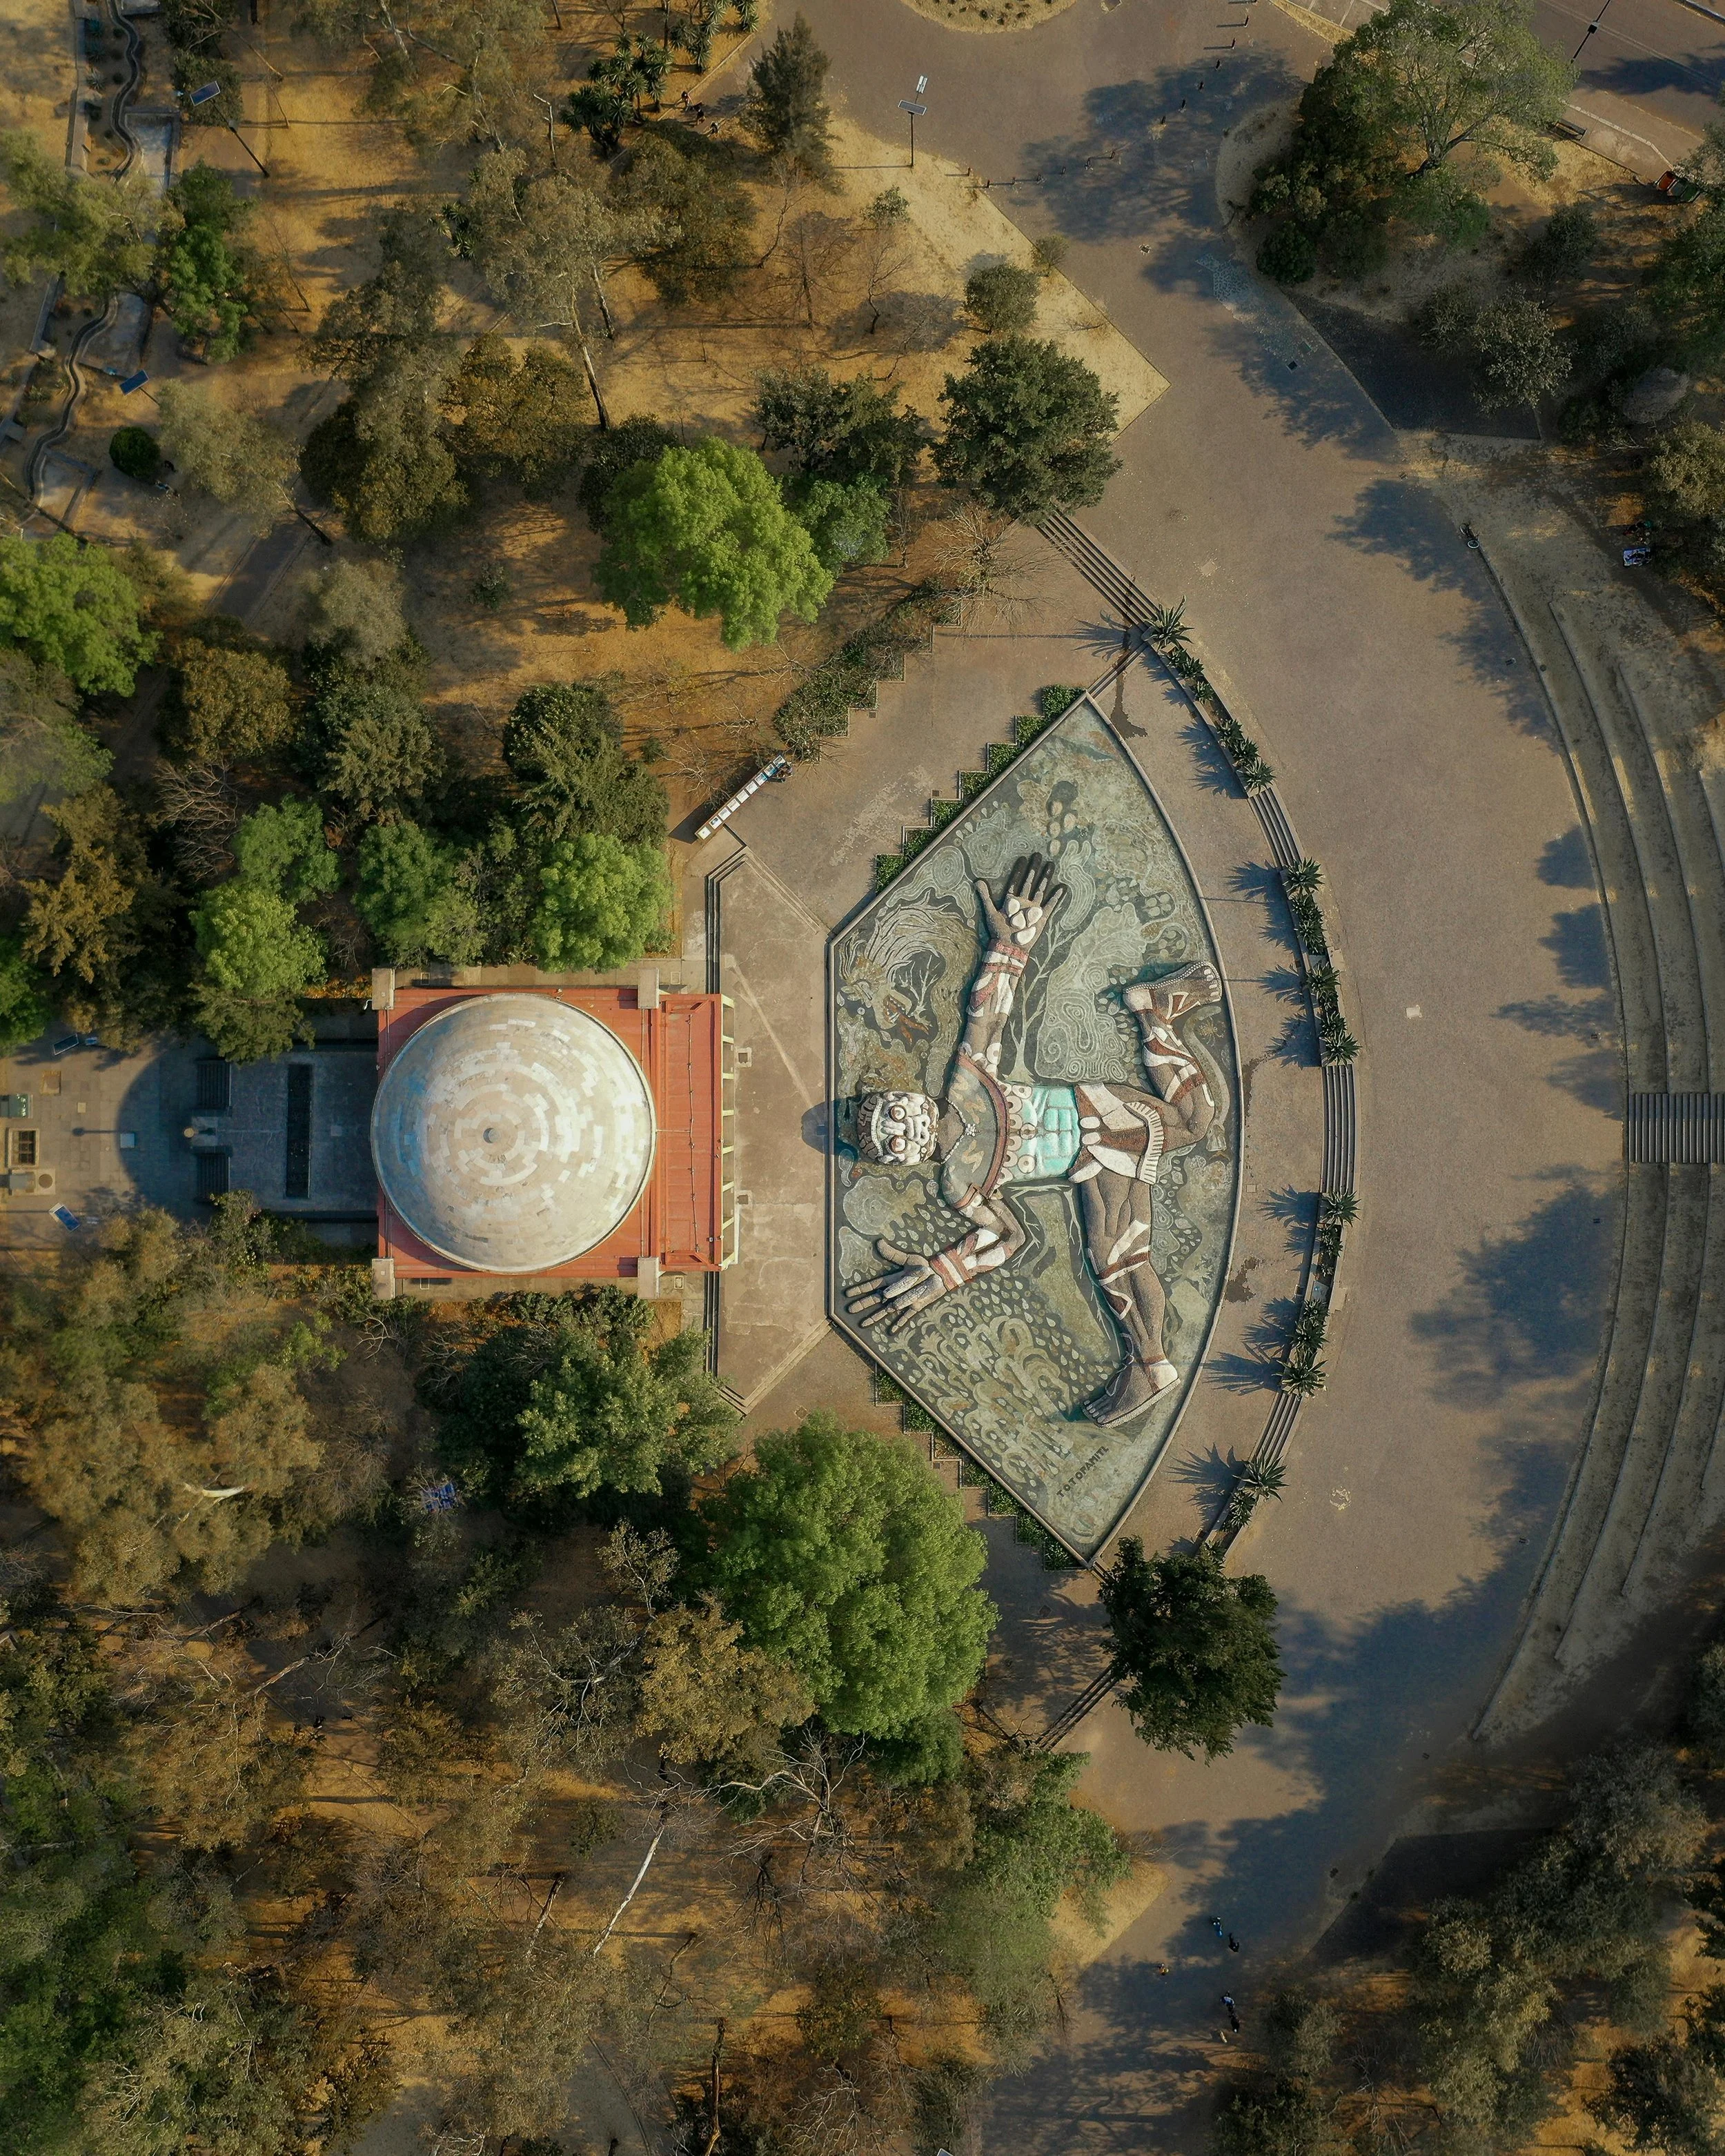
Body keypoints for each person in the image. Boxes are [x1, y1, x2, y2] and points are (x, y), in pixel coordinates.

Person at [848, 856, 1225, 1427]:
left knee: (1188, 1135)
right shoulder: (959, 1185)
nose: (909, 1128)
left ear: (913, 1098)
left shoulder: (967, 1080)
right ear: (903, 1161)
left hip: (1099, 1106)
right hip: (1089, 1162)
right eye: (895, 1141)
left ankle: (1156, 1014)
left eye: (897, 1114)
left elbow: (989, 1014)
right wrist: (947, 1270)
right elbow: (1010, 1236)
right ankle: (1151, 1363)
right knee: (1115, 1256)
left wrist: (1012, 946)